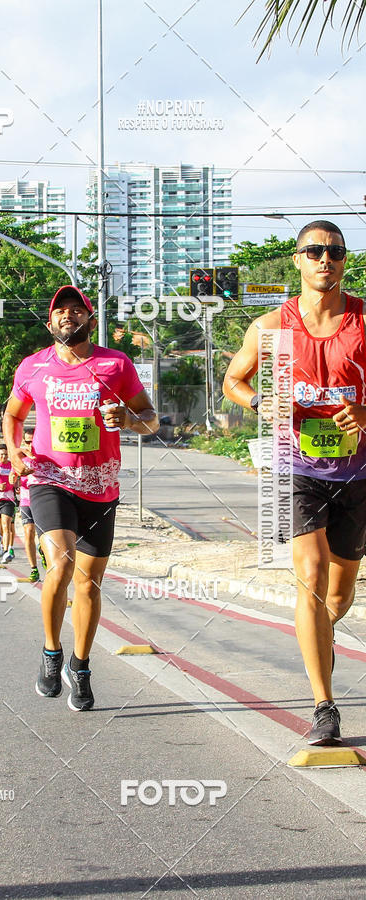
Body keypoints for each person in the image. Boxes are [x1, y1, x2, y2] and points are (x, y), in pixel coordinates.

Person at [223, 220, 366, 746]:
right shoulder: (270, 328)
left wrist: (363, 411)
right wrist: (262, 402)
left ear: (344, 260)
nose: (324, 259)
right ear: (297, 259)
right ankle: (324, 706)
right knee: (310, 572)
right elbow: (233, 381)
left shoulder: (365, 320)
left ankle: (317, 635)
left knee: (341, 590)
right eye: (314, 251)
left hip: (357, 471)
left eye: (334, 252)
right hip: (294, 468)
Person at [3, 284, 158, 711]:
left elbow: (150, 420)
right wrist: (15, 450)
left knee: (88, 584)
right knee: (62, 563)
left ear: (89, 319)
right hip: (49, 477)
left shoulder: (115, 364)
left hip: (100, 486)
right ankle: (51, 653)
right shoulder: (34, 367)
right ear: (50, 322)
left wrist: (129, 418)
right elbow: (13, 415)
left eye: (77, 311)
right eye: (60, 312)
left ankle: (81, 664)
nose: (68, 316)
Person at [15, 428, 40, 583]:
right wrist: (14, 478)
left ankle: (44, 552)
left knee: (45, 538)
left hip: (43, 501)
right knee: (29, 532)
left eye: (33, 441)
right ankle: (34, 569)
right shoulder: (20, 458)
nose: (30, 445)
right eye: (27, 442)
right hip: (26, 500)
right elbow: (13, 476)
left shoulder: (43, 456)